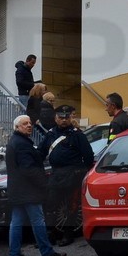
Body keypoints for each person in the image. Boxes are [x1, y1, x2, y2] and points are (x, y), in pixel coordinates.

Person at [5, 115, 66, 256]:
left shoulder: (15, 141)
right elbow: (29, 169)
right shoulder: (22, 144)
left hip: (17, 190)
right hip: (29, 191)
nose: (29, 125)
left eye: (30, 123)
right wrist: (44, 183)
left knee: (16, 222)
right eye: (24, 124)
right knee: (38, 221)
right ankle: (47, 253)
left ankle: (15, 254)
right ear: (17, 127)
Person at [42, 105, 95, 246]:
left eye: (66, 117)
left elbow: (88, 156)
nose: (64, 120)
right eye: (61, 117)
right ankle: (51, 234)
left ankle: (68, 235)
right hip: (56, 174)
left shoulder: (77, 135)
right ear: (55, 118)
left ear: (70, 118)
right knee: (51, 206)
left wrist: (81, 171)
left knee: (72, 207)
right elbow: (41, 152)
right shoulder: (50, 134)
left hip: (73, 175)